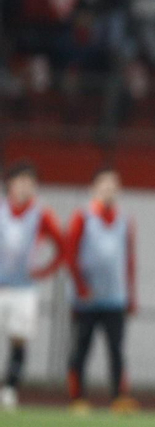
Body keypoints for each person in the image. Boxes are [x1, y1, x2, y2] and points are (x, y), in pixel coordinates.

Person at [64, 169, 137, 414]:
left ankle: (119, 397)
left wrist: (131, 296)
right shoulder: (82, 217)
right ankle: (78, 398)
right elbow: (70, 256)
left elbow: (129, 261)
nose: (109, 191)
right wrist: (82, 288)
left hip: (114, 298)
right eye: (104, 186)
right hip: (86, 300)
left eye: (113, 186)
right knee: (81, 349)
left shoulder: (125, 221)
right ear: (94, 189)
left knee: (116, 350)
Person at [0, 161, 68, 409]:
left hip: (23, 289)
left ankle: (9, 388)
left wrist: (44, 270)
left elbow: (62, 246)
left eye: (31, 183)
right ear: (10, 183)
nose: (25, 187)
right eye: (21, 182)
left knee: (19, 338)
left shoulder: (41, 214)